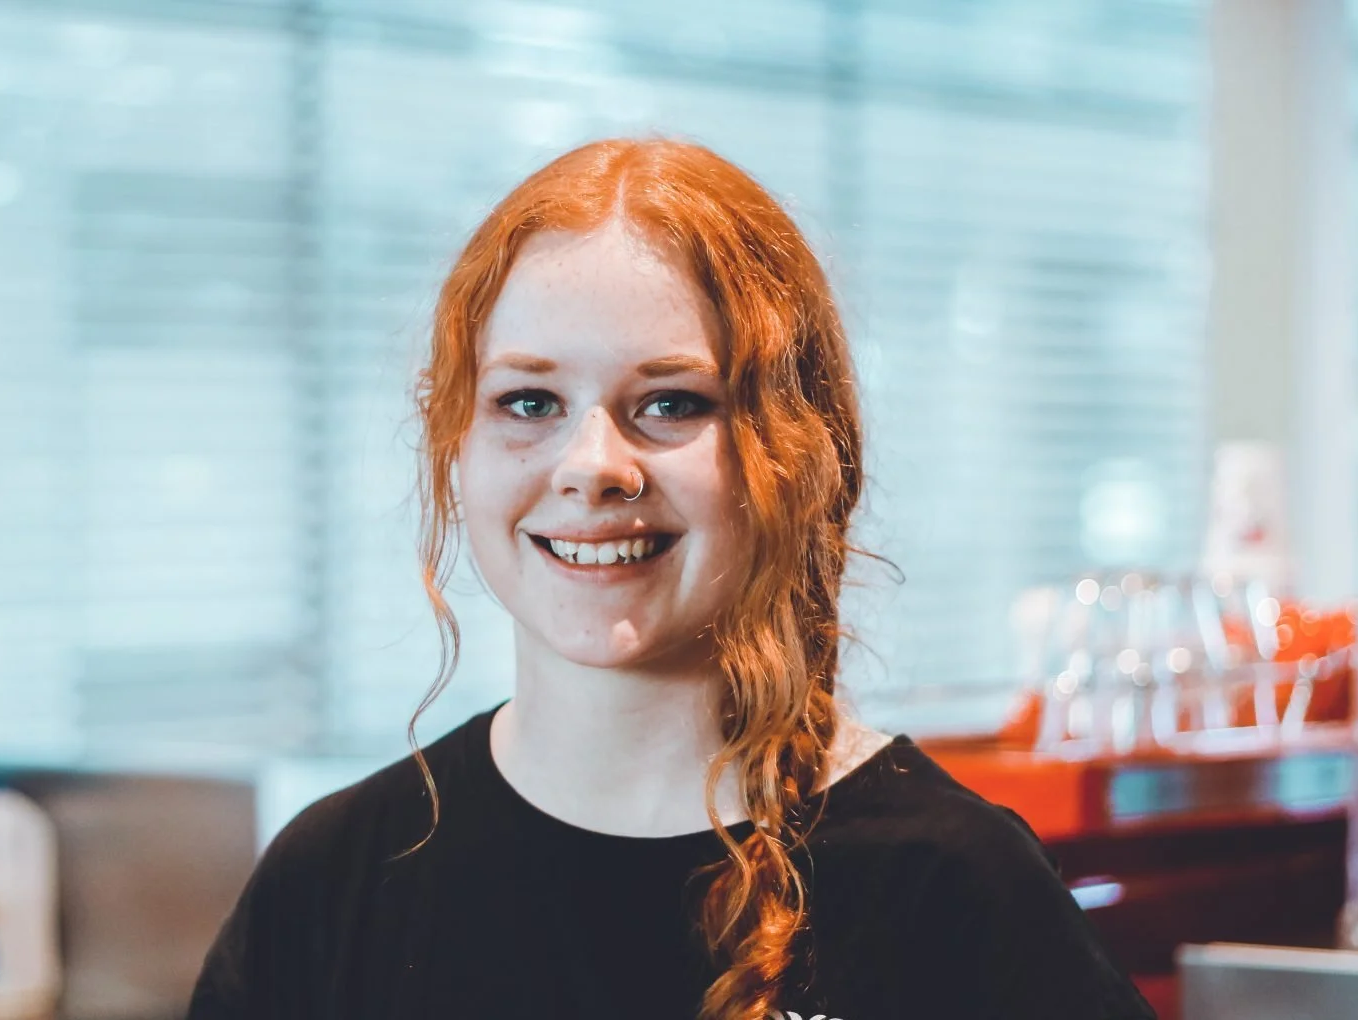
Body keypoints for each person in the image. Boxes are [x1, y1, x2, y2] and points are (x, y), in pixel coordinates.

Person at [187, 138, 1155, 1020]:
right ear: (456, 446)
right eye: (528, 401)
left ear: (796, 454)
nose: (590, 463)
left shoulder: (946, 881)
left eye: (669, 403)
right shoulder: (338, 875)